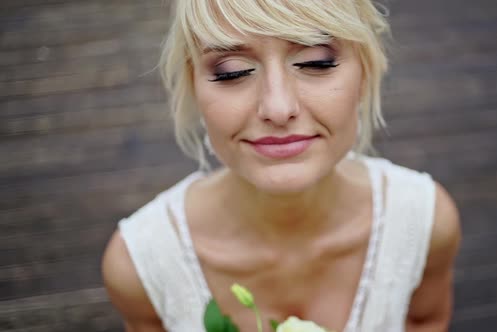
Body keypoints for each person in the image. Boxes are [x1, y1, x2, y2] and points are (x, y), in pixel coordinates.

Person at [101, 0, 461, 331]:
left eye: (316, 61)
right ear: (194, 86)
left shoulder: (426, 225)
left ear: (364, 72)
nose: (277, 108)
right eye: (232, 71)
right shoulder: (138, 268)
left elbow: (425, 319)